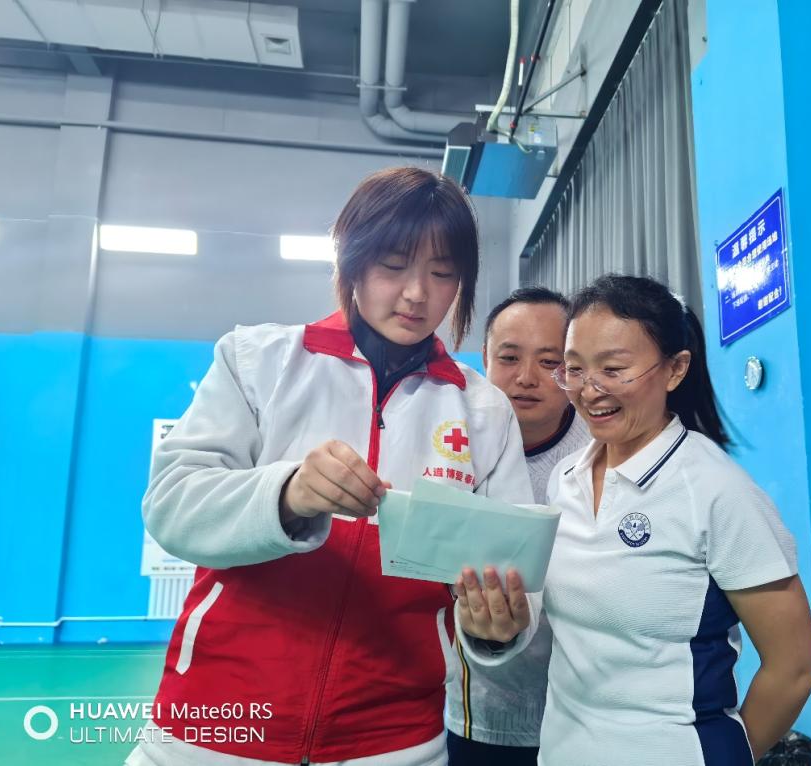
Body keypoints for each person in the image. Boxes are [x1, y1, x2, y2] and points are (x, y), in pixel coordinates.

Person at [125, 167, 533, 766]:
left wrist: (494, 628)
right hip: (213, 728)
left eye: (443, 273)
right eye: (394, 265)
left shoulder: (483, 410)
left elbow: (516, 569)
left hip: (395, 741)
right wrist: (287, 494)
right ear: (352, 260)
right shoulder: (257, 361)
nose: (417, 294)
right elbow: (171, 505)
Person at [453, 274, 811, 766]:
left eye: (613, 369)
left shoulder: (717, 491)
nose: (590, 390)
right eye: (574, 369)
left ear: (675, 369)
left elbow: (795, 666)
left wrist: (727, 755)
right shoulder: (566, 479)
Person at [445, 287, 590, 765]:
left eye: (549, 362)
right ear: (485, 358)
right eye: (509, 358)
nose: (526, 378)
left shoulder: (602, 451)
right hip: (477, 714)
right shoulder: (450, 443)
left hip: (588, 717)